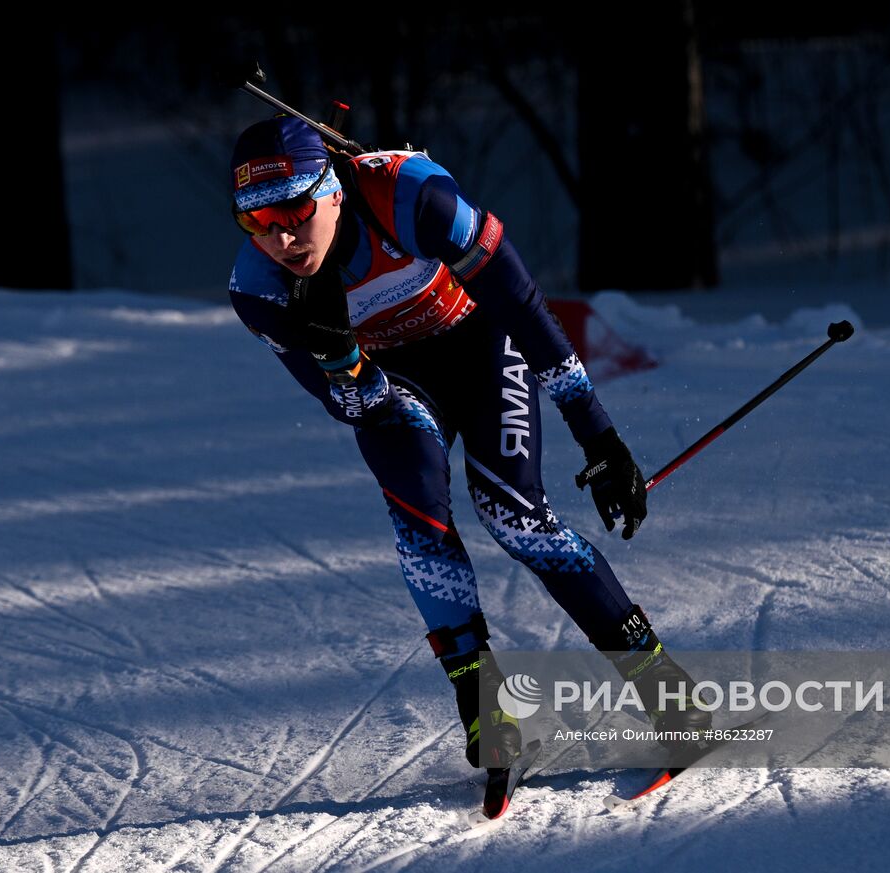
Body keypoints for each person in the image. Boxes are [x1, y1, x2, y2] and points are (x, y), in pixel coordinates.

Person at [227, 115, 709, 769]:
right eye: (255, 220)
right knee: (418, 515)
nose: (280, 235)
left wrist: (597, 431)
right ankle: (484, 708)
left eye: (292, 208)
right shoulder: (259, 288)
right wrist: (344, 363)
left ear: (333, 186)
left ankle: (665, 690)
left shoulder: (412, 198)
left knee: (515, 517)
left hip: (481, 343)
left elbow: (521, 303)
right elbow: (356, 408)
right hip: (395, 381)